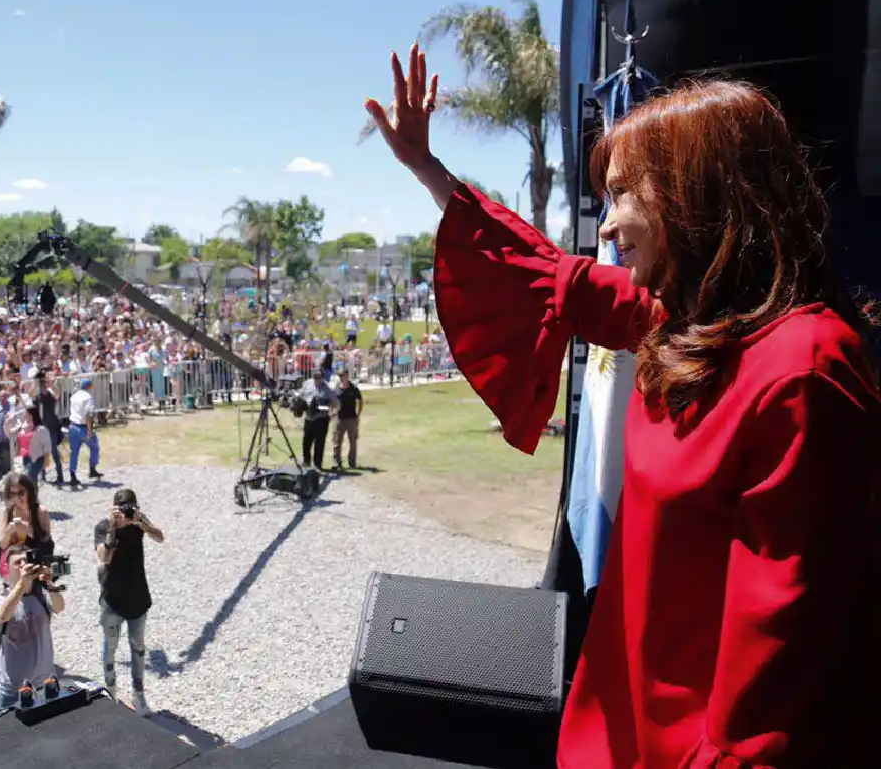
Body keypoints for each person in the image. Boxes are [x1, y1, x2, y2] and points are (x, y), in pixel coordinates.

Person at [366, 44, 881, 767]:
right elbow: (541, 274)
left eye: (626, 195)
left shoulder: (802, 371)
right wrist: (428, 169)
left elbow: (769, 704)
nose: (607, 228)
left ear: (697, 195)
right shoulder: (677, 323)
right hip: (618, 734)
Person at [94, 488, 164, 715]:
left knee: (138, 649)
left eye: (131, 506)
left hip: (137, 598)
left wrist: (140, 522)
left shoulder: (139, 523)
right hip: (112, 599)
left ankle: (139, 694)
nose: (127, 511)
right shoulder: (104, 527)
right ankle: (111, 690)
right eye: (123, 507)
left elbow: (159, 537)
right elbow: (104, 556)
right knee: (110, 649)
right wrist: (115, 528)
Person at [0, 544, 64, 709]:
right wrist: (22, 585)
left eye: (27, 560)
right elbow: (1, 616)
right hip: (13, 689)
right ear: (7, 569)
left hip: (44, 684)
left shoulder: (41, 595)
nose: (24, 564)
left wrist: (49, 582)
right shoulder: (0, 599)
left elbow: (59, 607)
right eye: (17, 563)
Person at [296, 374, 338, 470]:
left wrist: (332, 412)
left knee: (319, 443)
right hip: (309, 419)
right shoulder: (307, 383)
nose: (317, 380)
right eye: (315, 378)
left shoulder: (328, 387)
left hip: (321, 419)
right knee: (306, 442)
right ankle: (306, 463)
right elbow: (301, 395)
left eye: (319, 378)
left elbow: (335, 402)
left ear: (322, 378)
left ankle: (317, 465)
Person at [66, 377, 102, 485]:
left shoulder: (74, 396)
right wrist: (89, 430)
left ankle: (72, 475)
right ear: (89, 386)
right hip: (82, 427)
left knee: (74, 452)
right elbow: (89, 415)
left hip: (72, 425)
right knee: (94, 446)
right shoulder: (88, 398)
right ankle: (92, 469)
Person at [332, 368, 363, 470]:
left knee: (353, 441)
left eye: (343, 375)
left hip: (351, 419)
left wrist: (358, 415)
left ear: (347, 375)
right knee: (337, 442)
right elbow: (332, 402)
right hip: (339, 419)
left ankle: (352, 462)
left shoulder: (353, 388)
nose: (341, 377)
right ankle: (337, 462)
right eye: (340, 376)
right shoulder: (336, 388)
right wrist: (332, 412)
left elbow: (360, 400)